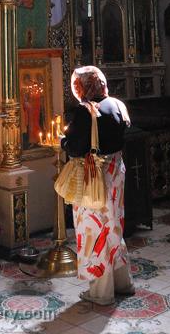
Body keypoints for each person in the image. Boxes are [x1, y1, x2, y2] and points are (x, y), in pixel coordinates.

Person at [61, 65, 133, 306]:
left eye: (78, 86)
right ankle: (123, 283)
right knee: (113, 226)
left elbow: (75, 147)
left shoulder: (86, 111)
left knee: (94, 231)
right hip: (116, 172)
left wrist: (64, 141)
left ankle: (101, 293)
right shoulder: (117, 105)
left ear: (84, 87)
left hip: (94, 176)